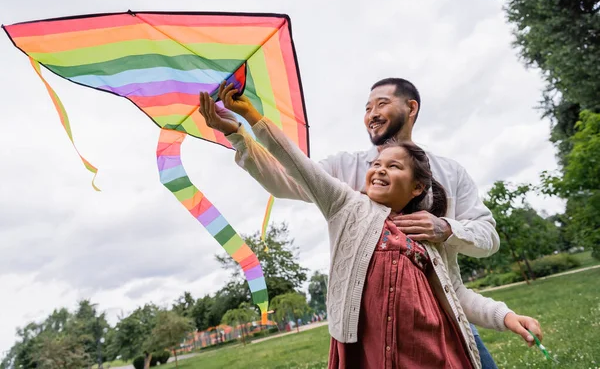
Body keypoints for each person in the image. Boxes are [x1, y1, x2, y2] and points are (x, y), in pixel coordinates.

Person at [198, 84, 543, 368]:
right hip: (371, 342)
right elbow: (293, 170)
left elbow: (460, 284)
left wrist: (446, 230)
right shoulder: (347, 187)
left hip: (441, 327)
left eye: (382, 103)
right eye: (366, 107)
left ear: (411, 108)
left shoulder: (448, 175)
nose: (372, 114)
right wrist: (242, 131)